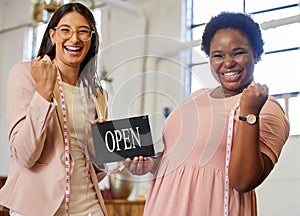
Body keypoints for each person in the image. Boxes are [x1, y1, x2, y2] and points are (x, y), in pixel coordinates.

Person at [125, 12, 290, 215]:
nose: (228, 63)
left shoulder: (266, 107)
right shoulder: (196, 97)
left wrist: (249, 111)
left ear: (256, 54)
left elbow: (243, 180)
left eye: (238, 53)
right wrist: (151, 164)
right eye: (218, 55)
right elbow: (177, 159)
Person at [0, 2, 109, 216]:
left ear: (92, 38)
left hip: (87, 207)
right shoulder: (25, 74)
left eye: (83, 31)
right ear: (52, 35)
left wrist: (98, 150)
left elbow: (99, 170)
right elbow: (24, 155)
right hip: (36, 208)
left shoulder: (98, 94)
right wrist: (43, 94)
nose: (74, 39)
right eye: (65, 30)